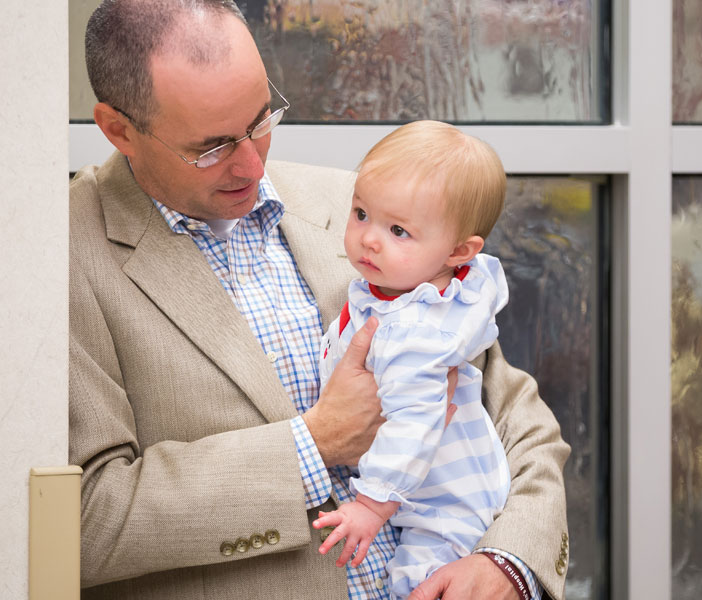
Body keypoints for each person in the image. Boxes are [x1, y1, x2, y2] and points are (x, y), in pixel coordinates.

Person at [69, 1, 571, 599]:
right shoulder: (56, 257)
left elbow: (516, 417)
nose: (253, 163)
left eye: (260, 120)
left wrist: (509, 564)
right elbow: (83, 520)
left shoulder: (367, 210)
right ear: (118, 128)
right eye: (212, 147)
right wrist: (313, 445)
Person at [312, 120, 514, 599]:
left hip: (443, 503)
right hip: (439, 484)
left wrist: (371, 505)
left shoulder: (413, 333)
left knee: (420, 585)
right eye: (361, 213)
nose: (369, 239)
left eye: (398, 230)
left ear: (458, 251)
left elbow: (416, 421)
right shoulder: (423, 287)